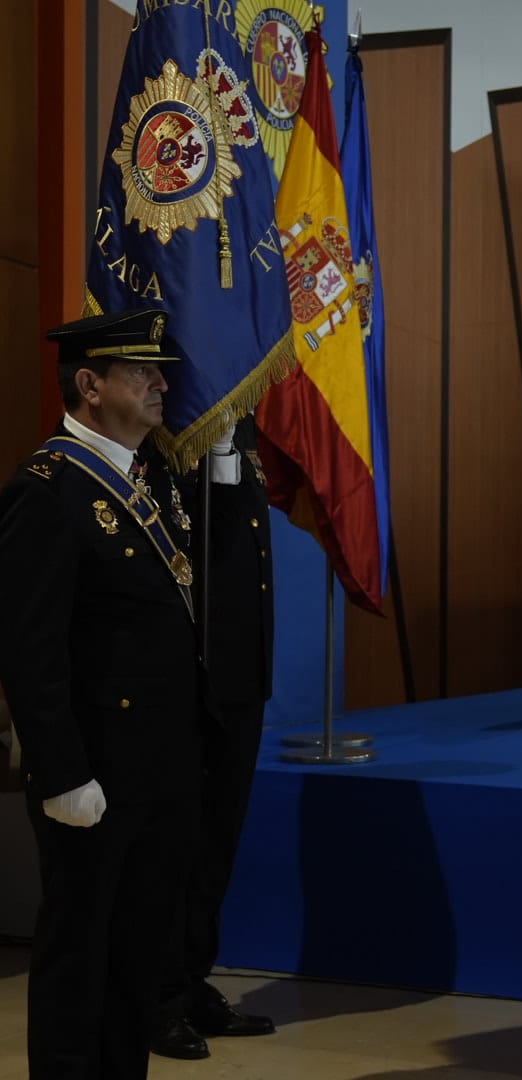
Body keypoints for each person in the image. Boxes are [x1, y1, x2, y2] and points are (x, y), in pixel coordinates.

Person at [0, 309, 204, 1080]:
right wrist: (60, 773)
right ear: (90, 385)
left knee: (135, 963)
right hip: (93, 773)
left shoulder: (143, 482)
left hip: (158, 771)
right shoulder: (47, 491)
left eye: (159, 370)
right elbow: (27, 647)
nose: (161, 383)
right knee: (79, 958)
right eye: (140, 371)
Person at [151, 417, 277, 1058]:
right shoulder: (167, 445)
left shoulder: (243, 432)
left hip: (241, 673)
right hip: (191, 675)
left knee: (218, 840)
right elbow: (196, 545)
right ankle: (159, 997)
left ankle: (194, 980)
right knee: (178, 845)